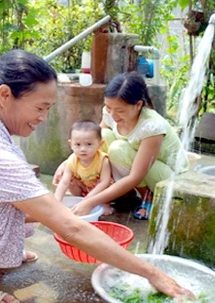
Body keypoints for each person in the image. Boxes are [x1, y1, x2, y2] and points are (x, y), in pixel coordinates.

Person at [0, 50, 192, 303]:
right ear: (5, 95)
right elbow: (69, 229)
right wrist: (151, 272)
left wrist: (58, 213)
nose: (44, 118)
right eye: (41, 108)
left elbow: (50, 215)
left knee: (18, 209)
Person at [53, 72, 189, 220]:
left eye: (120, 110)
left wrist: (89, 202)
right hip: (140, 166)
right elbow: (95, 140)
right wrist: (67, 163)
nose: (113, 115)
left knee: (118, 149)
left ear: (138, 105)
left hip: (169, 177)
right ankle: (125, 193)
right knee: (103, 135)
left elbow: (136, 176)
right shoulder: (111, 114)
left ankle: (147, 198)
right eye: (108, 107)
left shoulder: (152, 126)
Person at [54, 120, 113, 215]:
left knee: (109, 185)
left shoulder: (103, 160)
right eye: (77, 144)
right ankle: (79, 199)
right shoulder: (72, 161)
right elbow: (64, 182)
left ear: (100, 144)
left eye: (89, 144)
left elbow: (104, 182)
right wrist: (55, 202)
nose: (83, 149)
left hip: (99, 189)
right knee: (71, 182)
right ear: (71, 145)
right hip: (84, 187)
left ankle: (105, 203)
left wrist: (88, 199)